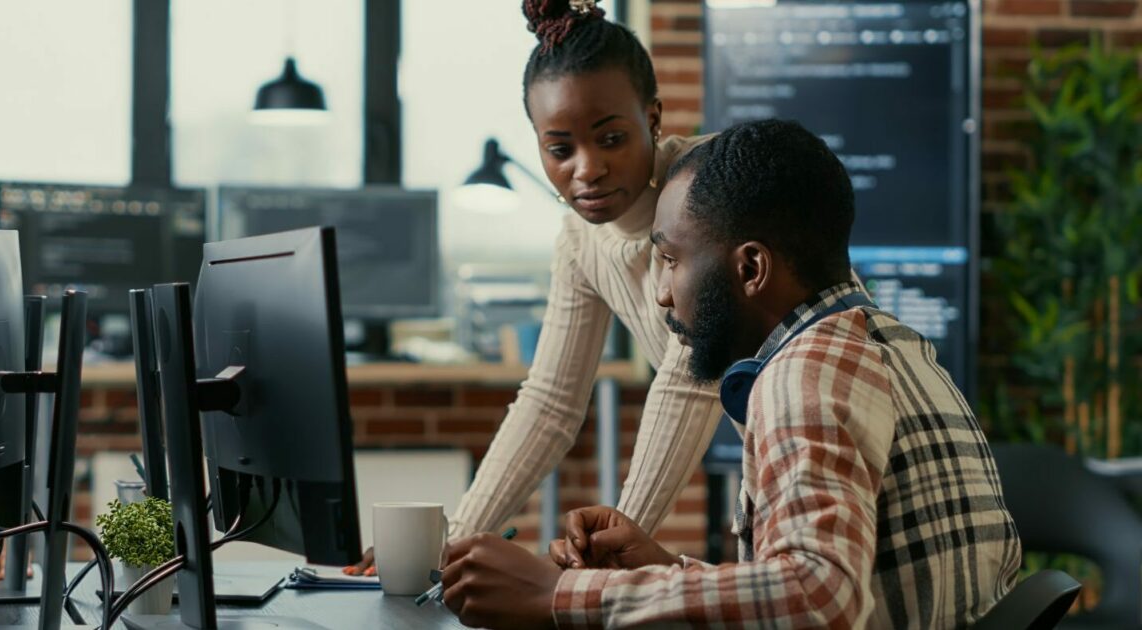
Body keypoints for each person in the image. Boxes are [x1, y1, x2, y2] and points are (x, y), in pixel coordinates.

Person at [438, 120, 1022, 629]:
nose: (662, 296)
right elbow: (816, 584)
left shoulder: (803, 374)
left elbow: (820, 599)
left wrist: (559, 594)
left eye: (669, 260)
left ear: (750, 268)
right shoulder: (887, 342)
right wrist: (663, 567)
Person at [347, 0, 729, 573]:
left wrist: (605, 558)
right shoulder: (580, 241)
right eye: (559, 149)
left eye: (611, 138)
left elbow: (690, 381)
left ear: (652, 117)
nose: (586, 169)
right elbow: (550, 402)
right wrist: (447, 544)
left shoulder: (707, 188)